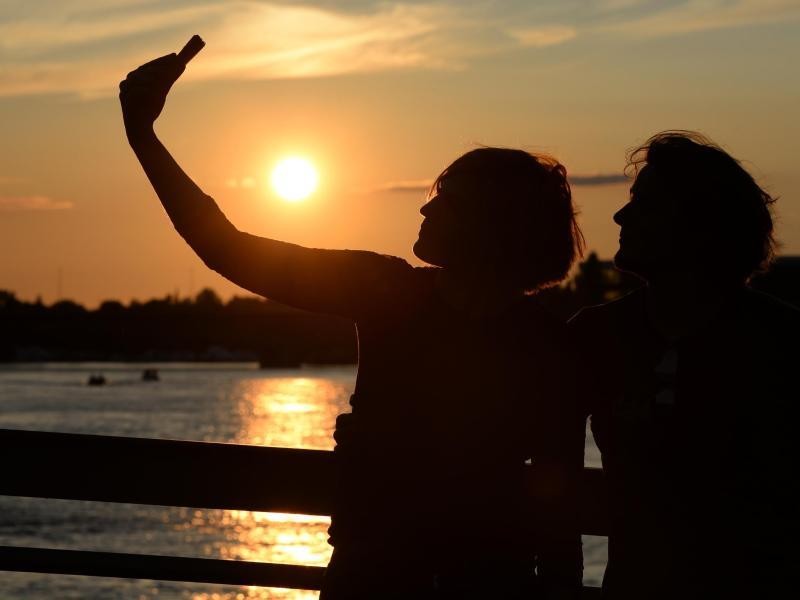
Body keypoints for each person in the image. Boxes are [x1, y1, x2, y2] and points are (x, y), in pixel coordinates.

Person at [120, 50, 585, 599]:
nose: (425, 210)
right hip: (412, 575)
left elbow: (561, 499)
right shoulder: (534, 336)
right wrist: (144, 138)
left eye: (446, 199)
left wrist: (141, 133)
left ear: (492, 222)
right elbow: (227, 249)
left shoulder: (401, 295)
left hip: (420, 577)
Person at [570, 131, 800, 599]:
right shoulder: (593, 336)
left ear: (702, 223)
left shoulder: (784, 343)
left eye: (645, 203)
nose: (620, 215)